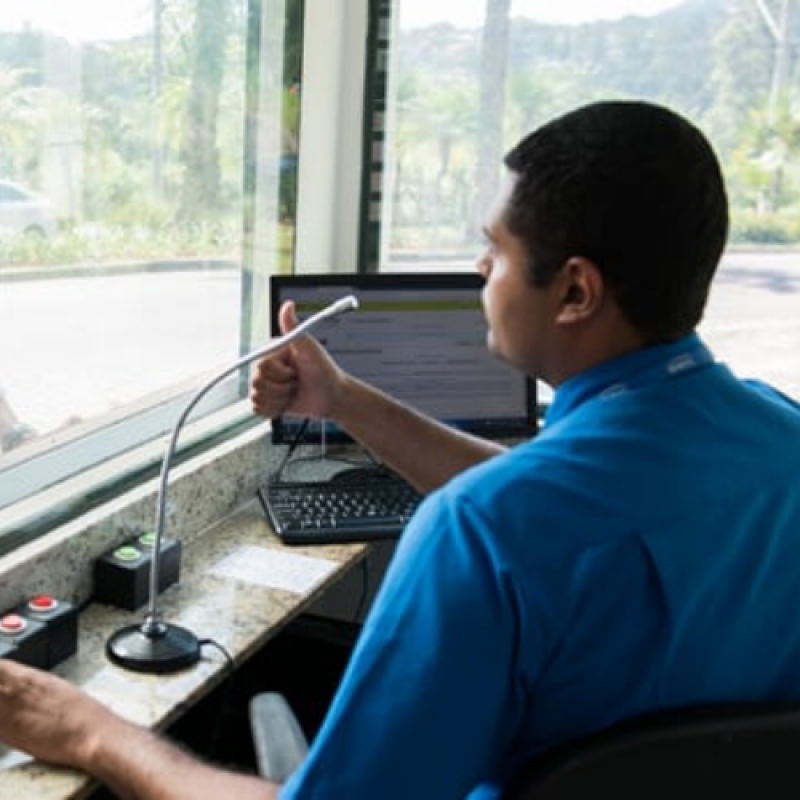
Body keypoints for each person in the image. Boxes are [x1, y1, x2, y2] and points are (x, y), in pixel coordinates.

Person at [1, 99, 800, 799]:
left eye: (497, 250)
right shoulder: (780, 439)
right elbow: (562, 506)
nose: (480, 269)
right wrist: (342, 400)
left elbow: (524, 518)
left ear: (575, 291)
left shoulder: (481, 535)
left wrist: (88, 733)